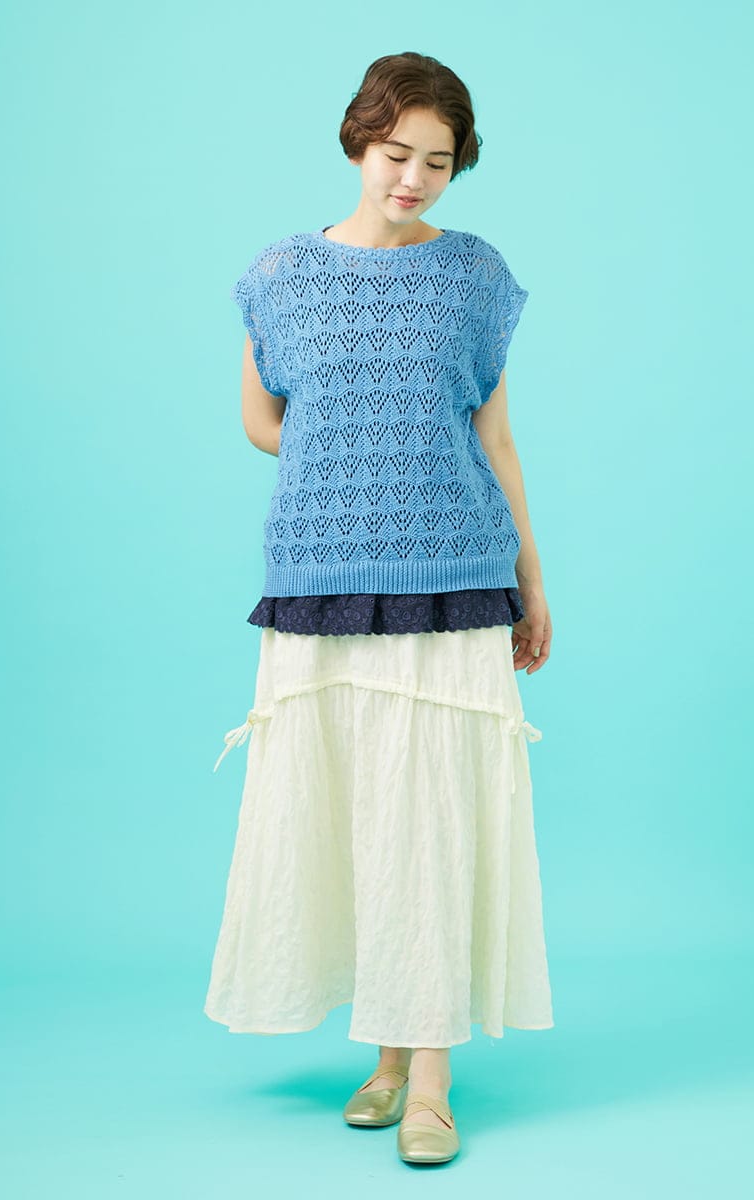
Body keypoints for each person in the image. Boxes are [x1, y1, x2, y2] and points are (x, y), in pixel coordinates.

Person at [203, 50, 555, 1167]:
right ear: (359, 141)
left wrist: (533, 579)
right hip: (319, 575)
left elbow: (494, 435)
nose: (413, 178)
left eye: (438, 162)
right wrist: (348, 456)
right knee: (358, 817)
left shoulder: (474, 275)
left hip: (454, 574)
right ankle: (390, 1054)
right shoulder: (279, 274)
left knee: (432, 816)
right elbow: (263, 421)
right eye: (397, 153)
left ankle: (430, 1079)